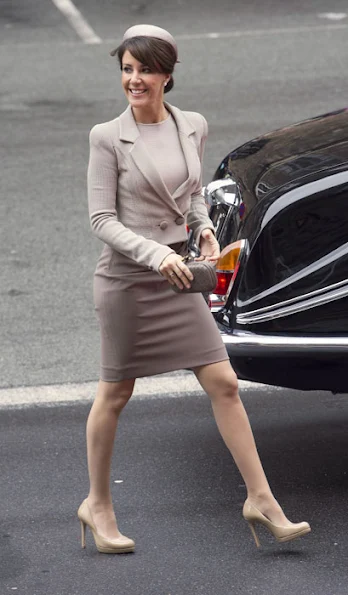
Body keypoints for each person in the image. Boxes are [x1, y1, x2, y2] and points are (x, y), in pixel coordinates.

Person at [78, 24, 311, 554]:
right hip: (128, 281)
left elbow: (191, 196)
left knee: (224, 382)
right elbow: (100, 219)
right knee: (116, 393)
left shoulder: (192, 126)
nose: (133, 80)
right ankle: (98, 504)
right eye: (126, 69)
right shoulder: (106, 137)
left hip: (177, 277)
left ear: (167, 74)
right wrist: (158, 253)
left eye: (143, 70)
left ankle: (262, 500)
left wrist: (202, 227)